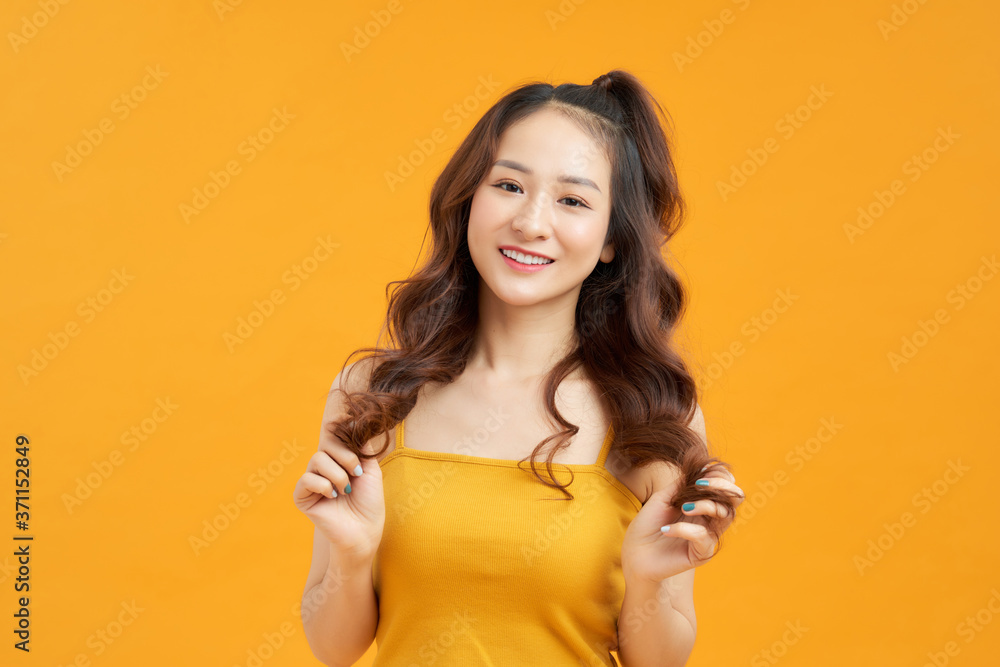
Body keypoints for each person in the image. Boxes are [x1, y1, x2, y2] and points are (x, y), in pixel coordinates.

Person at [293, 68, 744, 667]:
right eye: (508, 186)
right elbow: (333, 648)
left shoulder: (650, 413)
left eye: (573, 200)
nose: (531, 222)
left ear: (611, 237)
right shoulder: (373, 396)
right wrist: (350, 556)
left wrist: (648, 579)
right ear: (469, 198)